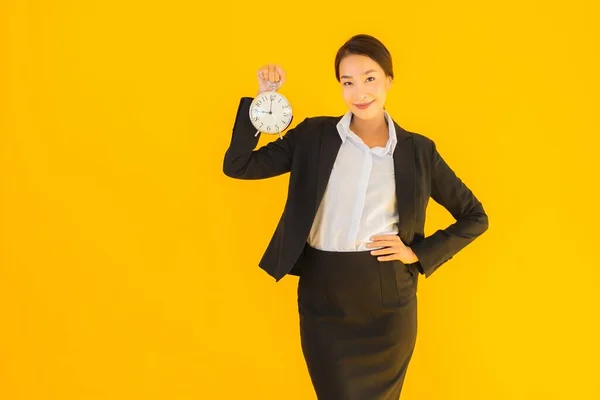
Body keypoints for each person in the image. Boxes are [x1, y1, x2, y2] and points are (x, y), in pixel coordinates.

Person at [222, 34, 489, 400]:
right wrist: (263, 101)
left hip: (387, 299)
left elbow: (475, 216)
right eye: (348, 82)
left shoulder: (418, 151)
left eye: (369, 78)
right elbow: (238, 166)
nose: (359, 92)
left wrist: (418, 254)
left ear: (389, 80)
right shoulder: (313, 136)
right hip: (324, 295)